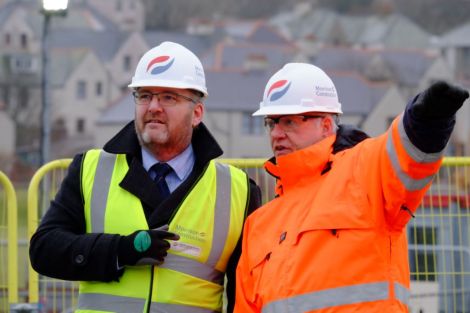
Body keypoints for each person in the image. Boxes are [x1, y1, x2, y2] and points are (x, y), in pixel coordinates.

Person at [29, 41, 261, 313]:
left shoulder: (238, 191)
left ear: (197, 113)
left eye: (168, 97)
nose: (153, 106)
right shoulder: (90, 169)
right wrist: (119, 250)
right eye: (144, 95)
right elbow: (44, 250)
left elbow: (243, 296)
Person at [234, 63, 469, 312]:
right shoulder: (259, 224)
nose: (277, 133)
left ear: (326, 125)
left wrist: (426, 121)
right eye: (271, 123)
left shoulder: (364, 172)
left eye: (289, 122)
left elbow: (403, 152)